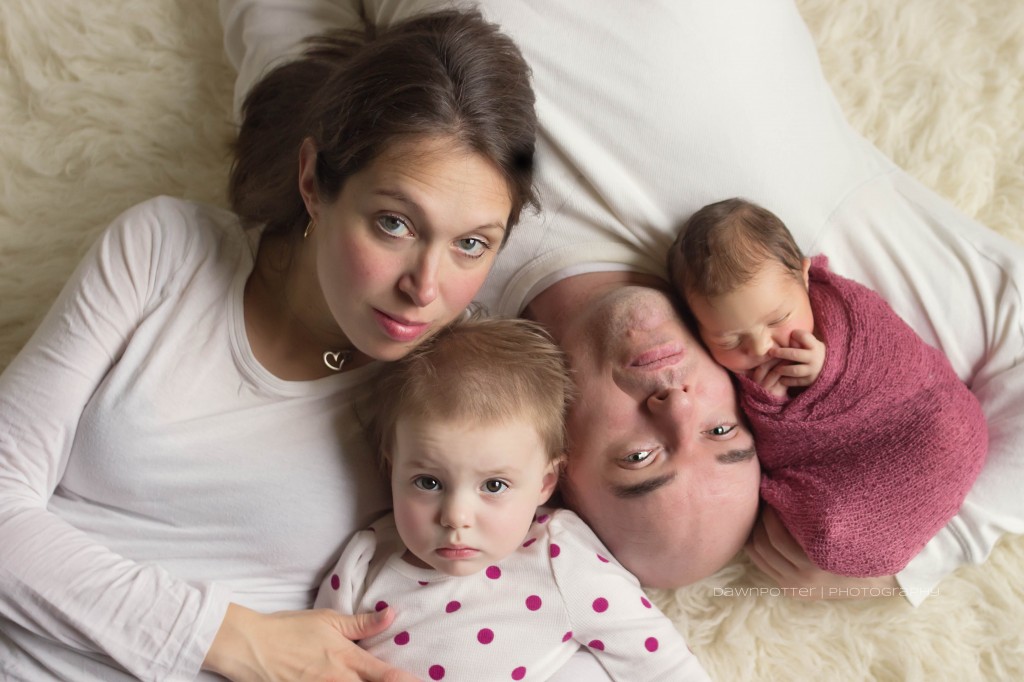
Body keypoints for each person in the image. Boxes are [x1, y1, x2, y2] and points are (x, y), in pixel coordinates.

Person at [220, 0, 1024, 608]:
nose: (675, 405)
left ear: (554, 467)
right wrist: (908, 559)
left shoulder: (409, 293)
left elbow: (293, 57)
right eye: (721, 433)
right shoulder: (788, 270)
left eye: (640, 458)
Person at [0, 9, 539, 681]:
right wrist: (223, 636)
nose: (425, 288)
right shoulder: (164, 252)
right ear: (314, 182)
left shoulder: (458, 395)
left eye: (471, 244)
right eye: (394, 223)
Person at [314, 316, 710, 681]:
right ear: (391, 469)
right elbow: (314, 661)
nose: (455, 517)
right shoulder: (366, 559)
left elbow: (666, 668)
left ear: (544, 483)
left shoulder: (557, 556)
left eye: (494, 486)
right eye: (428, 483)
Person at [667, 197, 988, 577]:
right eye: (731, 340)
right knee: (827, 532)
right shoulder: (727, 377)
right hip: (841, 470)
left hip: (921, 422)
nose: (760, 347)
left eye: (778, 318)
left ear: (803, 277)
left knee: (949, 430)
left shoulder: (845, 310)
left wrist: (831, 369)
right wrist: (771, 409)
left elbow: (897, 360)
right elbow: (768, 454)